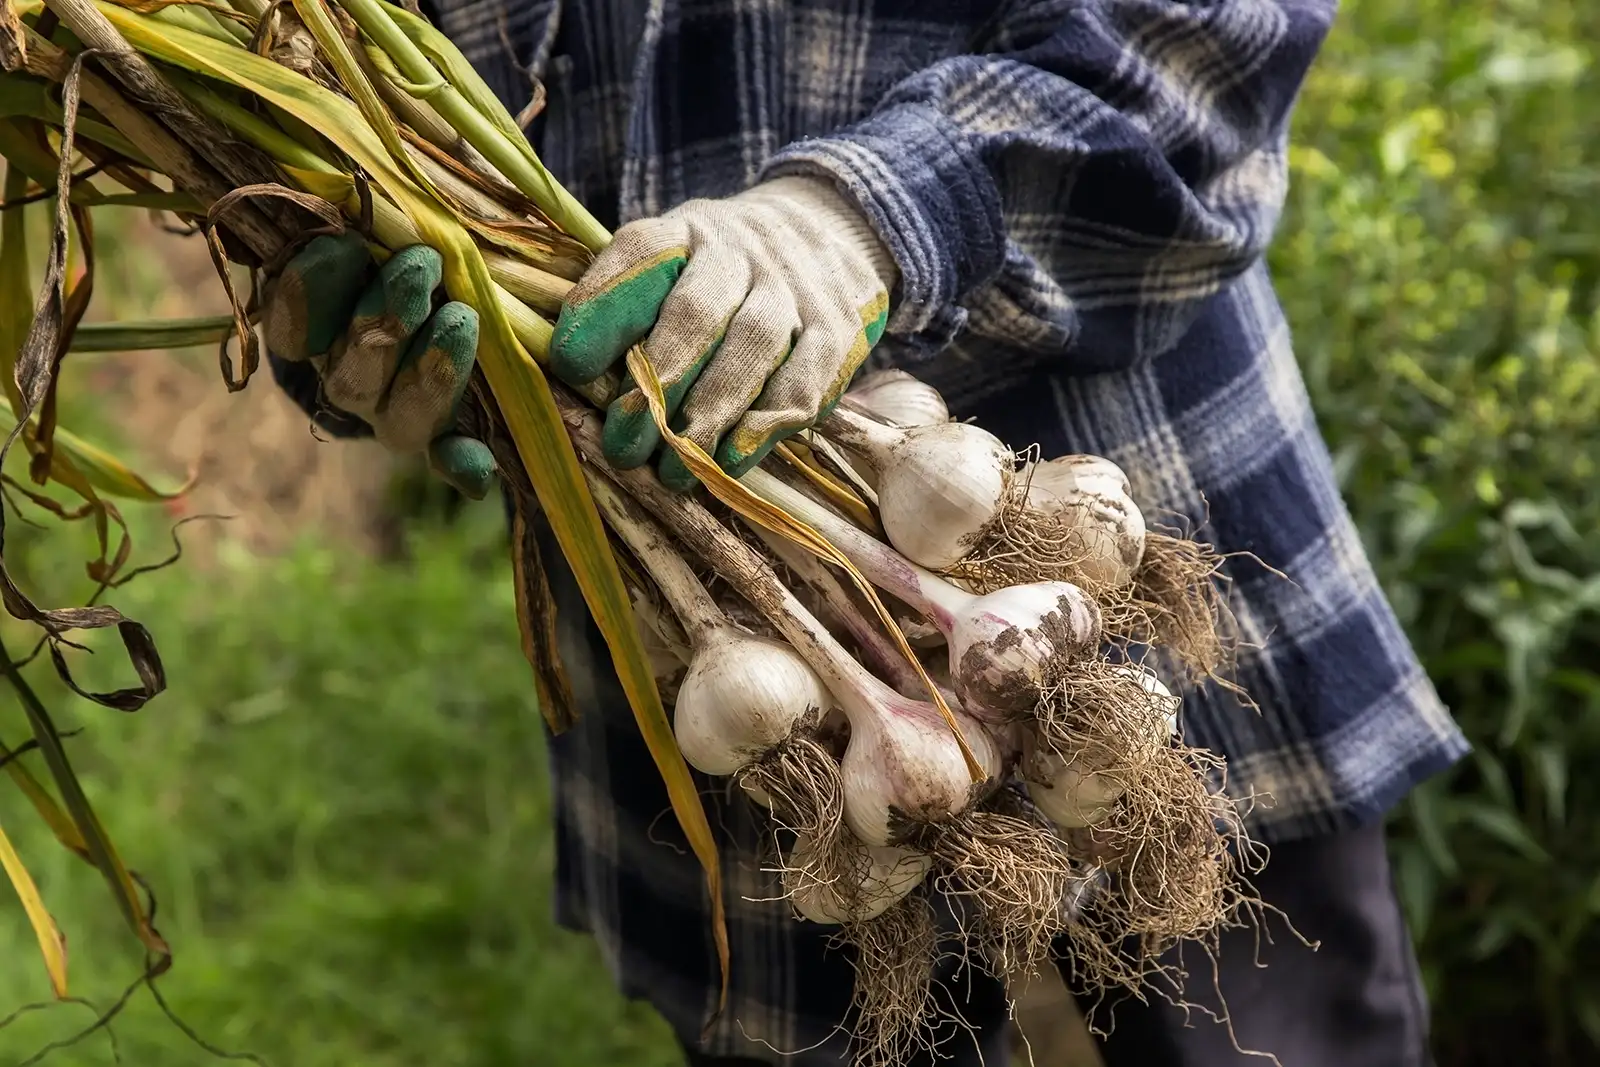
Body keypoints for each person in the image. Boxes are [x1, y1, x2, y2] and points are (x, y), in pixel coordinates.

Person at [265, 1, 1469, 1063]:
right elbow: (315, 115)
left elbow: (1208, 29)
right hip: (703, 632)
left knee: (1259, 1002)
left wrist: (864, 216)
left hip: (1122, 511)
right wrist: (346, 326)